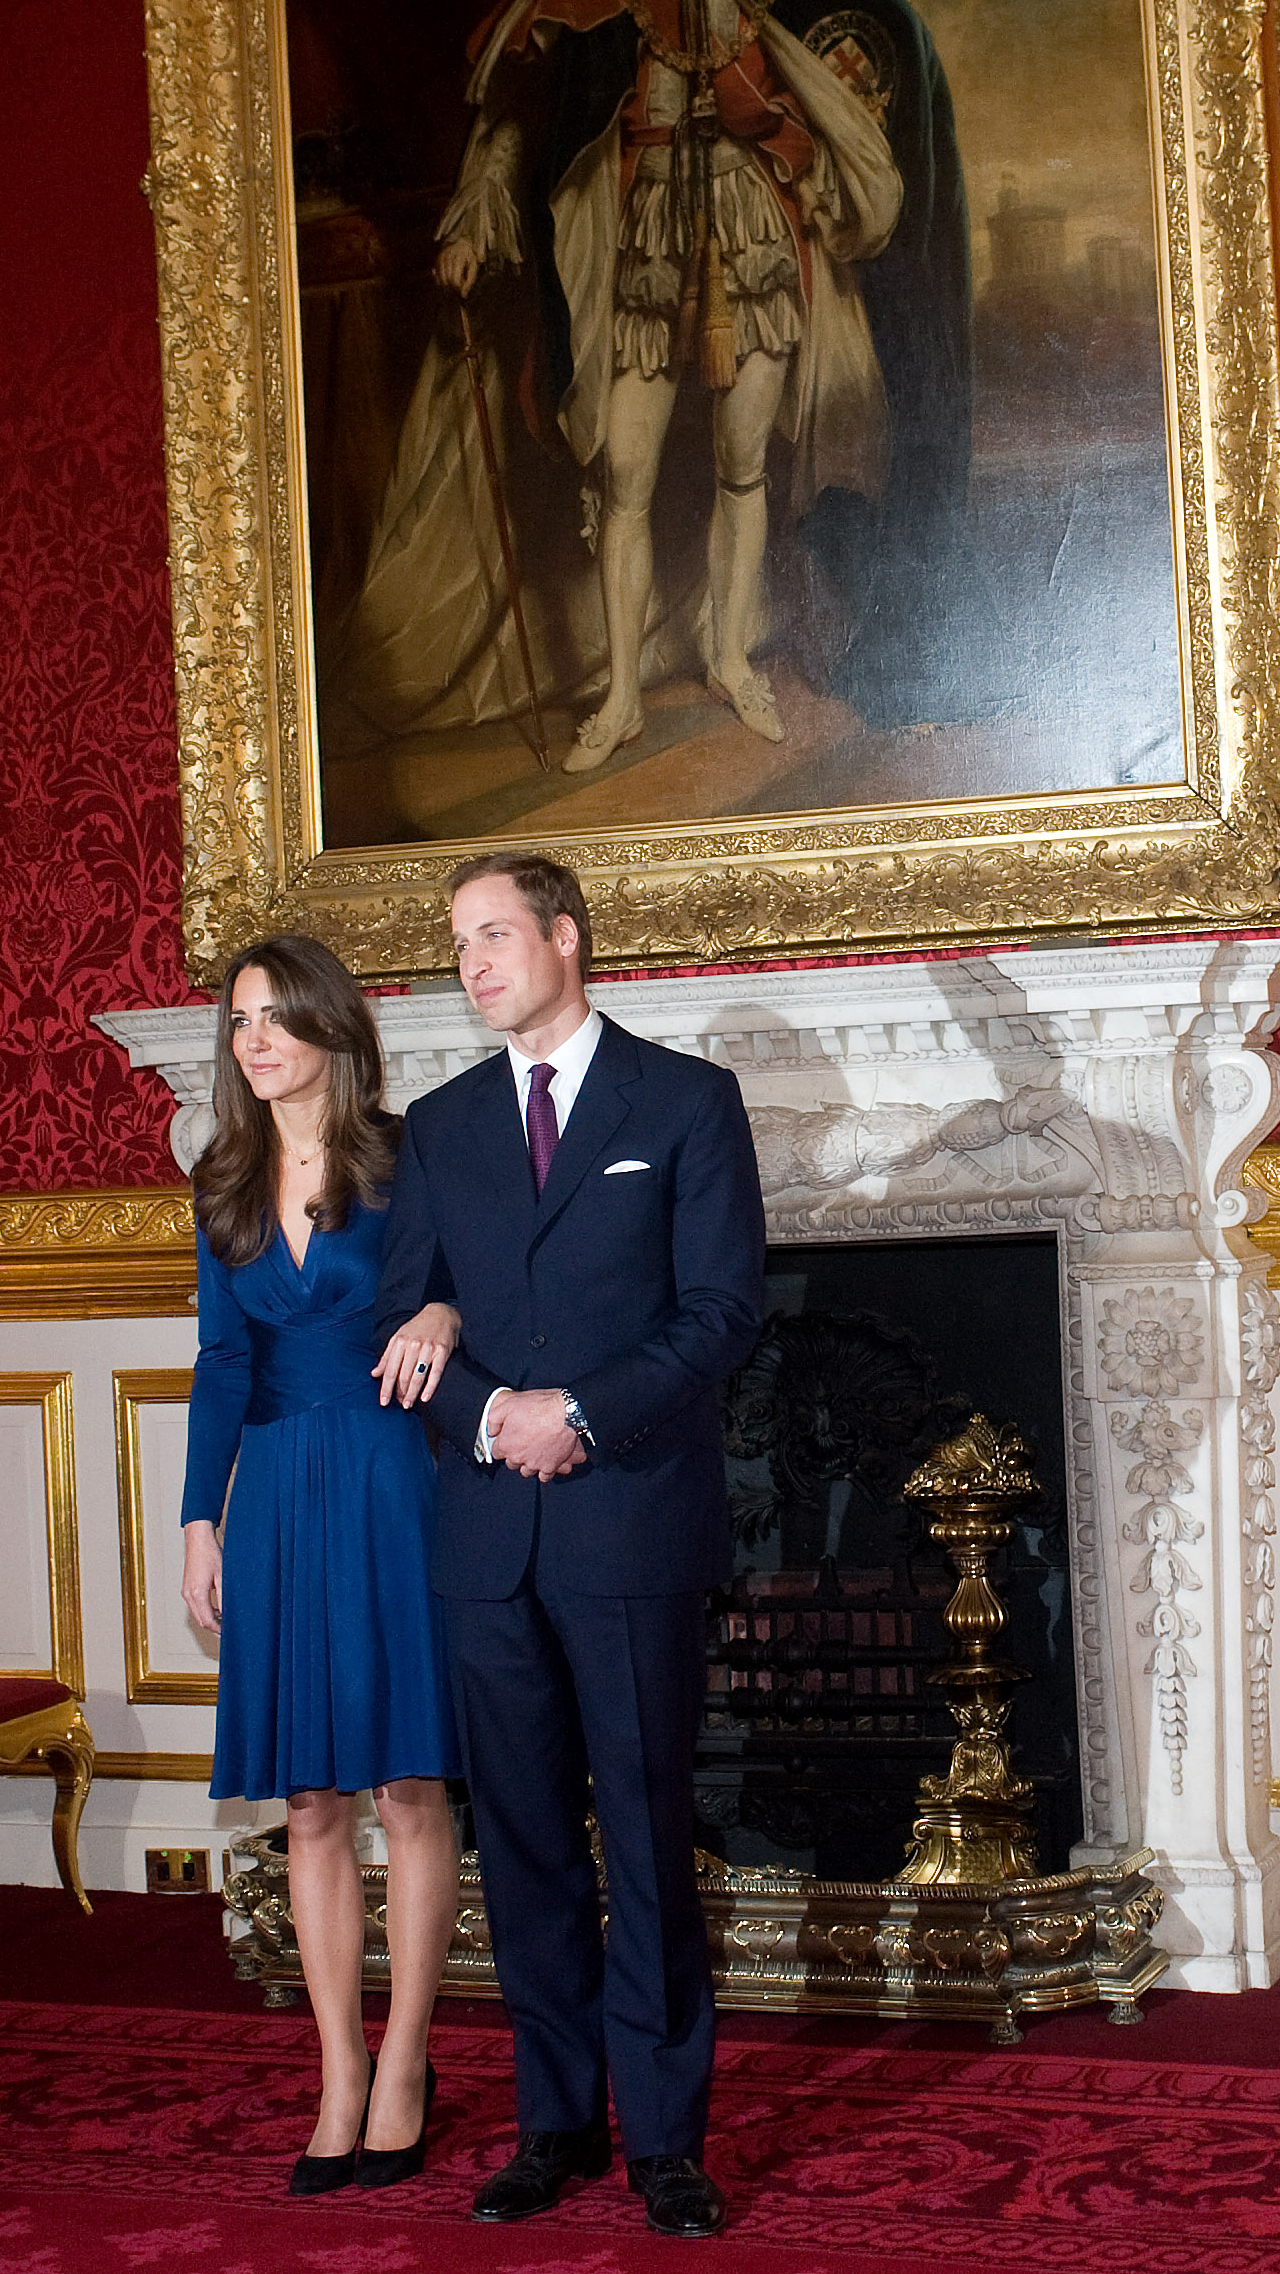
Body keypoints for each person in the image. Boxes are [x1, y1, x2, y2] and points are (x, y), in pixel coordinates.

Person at [428, 0, 968, 772]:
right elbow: (523, 117)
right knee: (624, 471)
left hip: (752, 231)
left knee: (741, 463)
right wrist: (473, 221)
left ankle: (730, 656)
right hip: (643, 241)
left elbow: (864, 56)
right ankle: (624, 694)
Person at [372, 849, 766, 2239]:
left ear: (566, 939)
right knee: (526, 1845)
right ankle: (555, 2126)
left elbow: (723, 1311)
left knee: (650, 1839)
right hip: (486, 1538)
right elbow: (410, 1313)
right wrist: (495, 1420)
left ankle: (664, 2138)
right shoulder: (439, 1125)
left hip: (630, 1524)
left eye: (493, 935)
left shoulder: (686, 1102)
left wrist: (582, 1416)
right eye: (457, 944)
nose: (472, 963)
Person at [178, 934, 468, 2193]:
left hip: (396, 1483)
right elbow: (220, 1360)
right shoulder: (223, 1174)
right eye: (239, 1018)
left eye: (275, 1015)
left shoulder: (410, 1157)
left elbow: (479, 1289)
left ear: (330, 1029)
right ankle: (338, 2068)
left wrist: (446, 1311)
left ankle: (407, 2058)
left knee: (409, 1785)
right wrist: (200, 1519)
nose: (254, 1037)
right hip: (281, 1496)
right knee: (307, 1800)